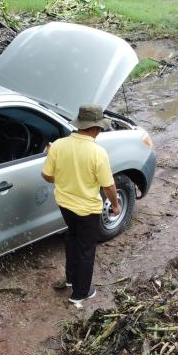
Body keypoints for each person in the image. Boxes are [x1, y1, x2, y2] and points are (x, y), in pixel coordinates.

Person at [41, 104, 121, 307]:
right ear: (95, 128)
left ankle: (70, 279)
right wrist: (115, 205)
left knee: (72, 238)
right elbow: (109, 185)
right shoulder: (97, 152)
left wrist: (63, 172)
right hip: (87, 210)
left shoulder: (58, 145)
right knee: (86, 249)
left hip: (65, 205)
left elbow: (47, 176)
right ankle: (80, 293)